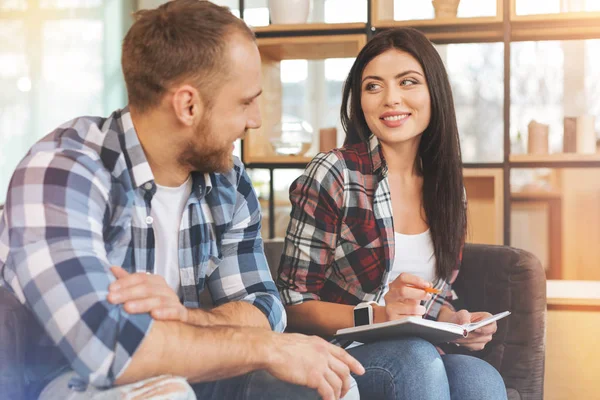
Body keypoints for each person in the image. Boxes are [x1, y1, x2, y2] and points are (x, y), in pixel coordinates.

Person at [0, 1, 363, 399]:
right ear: (188, 105)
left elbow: (265, 308)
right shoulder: (63, 172)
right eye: (245, 101)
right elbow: (110, 352)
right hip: (64, 381)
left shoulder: (228, 181)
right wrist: (268, 348)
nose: (256, 119)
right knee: (168, 393)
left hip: (197, 370)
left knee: (331, 385)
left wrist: (186, 317)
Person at [277, 27, 508, 400]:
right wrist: (381, 313)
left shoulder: (448, 190)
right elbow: (293, 304)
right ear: (359, 99)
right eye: (373, 86)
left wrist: (457, 322)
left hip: (421, 350)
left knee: (479, 378)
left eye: (408, 82)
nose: (391, 99)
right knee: (415, 359)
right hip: (340, 353)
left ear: (434, 92)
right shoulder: (335, 172)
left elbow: (436, 297)